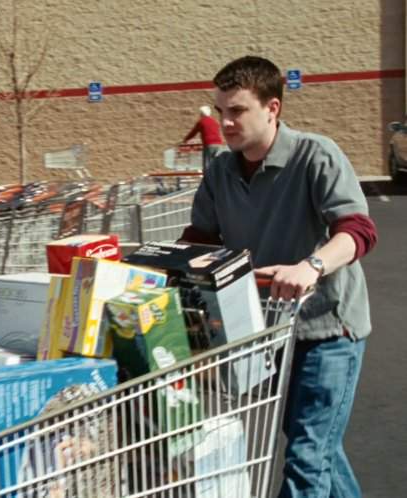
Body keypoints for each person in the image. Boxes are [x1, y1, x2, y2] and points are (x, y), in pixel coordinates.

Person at [179, 55, 377, 498]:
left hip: (328, 328)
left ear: (272, 108)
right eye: (221, 111)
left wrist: (311, 266)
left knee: (308, 458)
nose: (226, 122)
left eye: (238, 111)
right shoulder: (220, 171)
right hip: (269, 329)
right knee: (318, 451)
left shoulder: (315, 155)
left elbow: (358, 231)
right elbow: (198, 241)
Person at [183, 105, 225, 171]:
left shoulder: (201, 121)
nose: (200, 115)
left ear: (202, 113)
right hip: (218, 144)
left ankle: (208, 179)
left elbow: (193, 132)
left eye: (200, 113)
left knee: (207, 164)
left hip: (209, 144)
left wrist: (186, 139)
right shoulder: (214, 121)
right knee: (216, 162)